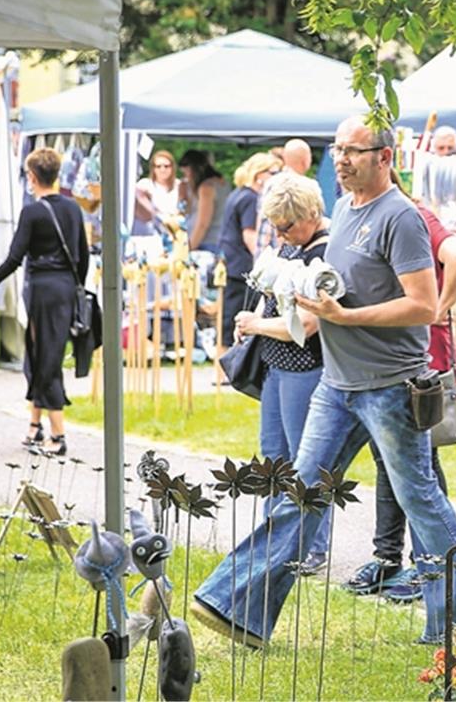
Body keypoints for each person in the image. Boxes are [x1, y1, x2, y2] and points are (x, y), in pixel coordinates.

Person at [192, 116, 456, 647]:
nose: (342, 159)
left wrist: (346, 318)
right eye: (339, 149)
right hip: (338, 382)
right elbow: (336, 297)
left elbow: (422, 306)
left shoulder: (400, 216)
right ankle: (238, 607)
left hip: (392, 386)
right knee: (301, 495)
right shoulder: (346, 211)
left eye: (354, 151)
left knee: (419, 498)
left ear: (385, 157)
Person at [193, 173, 331, 645]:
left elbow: (308, 325)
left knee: (305, 462)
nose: (281, 234)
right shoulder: (291, 246)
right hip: (276, 369)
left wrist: (257, 323)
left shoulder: (323, 252)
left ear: (310, 215)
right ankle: (275, 543)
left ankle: (310, 546)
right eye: (276, 226)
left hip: (304, 369)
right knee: (273, 458)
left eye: (287, 226)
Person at [338, 199, 456, 598]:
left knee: (421, 463)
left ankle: (428, 565)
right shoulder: (363, 213)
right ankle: (389, 558)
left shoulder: (410, 215)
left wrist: (439, 308)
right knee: (390, 461)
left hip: (420, 357)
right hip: (389, 358)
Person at [0, 148, 88, 456]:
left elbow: (14, 258)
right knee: (39, 353)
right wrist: (76, 288)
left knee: (46, 357)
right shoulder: (74, 209)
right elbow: (83, 256)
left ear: (32, 177)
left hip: (41, 288)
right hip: (64, 288)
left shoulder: (32, 212)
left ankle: (58, 434)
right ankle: (35, 426)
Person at [218, 153, 279, 352]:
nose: (276, 176)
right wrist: (264, 264)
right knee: (237, 318)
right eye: (273, 172)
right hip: (243, 267)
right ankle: (230, 366)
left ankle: (222, 368)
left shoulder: (238, 193)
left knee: (228, 316)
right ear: (259, 174)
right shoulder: (251, 199)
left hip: (231, 263)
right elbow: (250, 234)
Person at [178, 150, 225, 253]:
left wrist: (189, 248)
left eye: (186, 172)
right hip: (219, 241)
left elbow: (203, 224)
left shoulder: (206, 187)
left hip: (207, 243)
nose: (186, 177)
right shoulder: (222, 182)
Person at [134, 150, 181, 237]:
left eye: (166, 166)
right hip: (150, 233)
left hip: (174, 230)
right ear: (153, 168)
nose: (162, 169)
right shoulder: (144, 184)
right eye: (158, 166)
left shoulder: (180, 185)